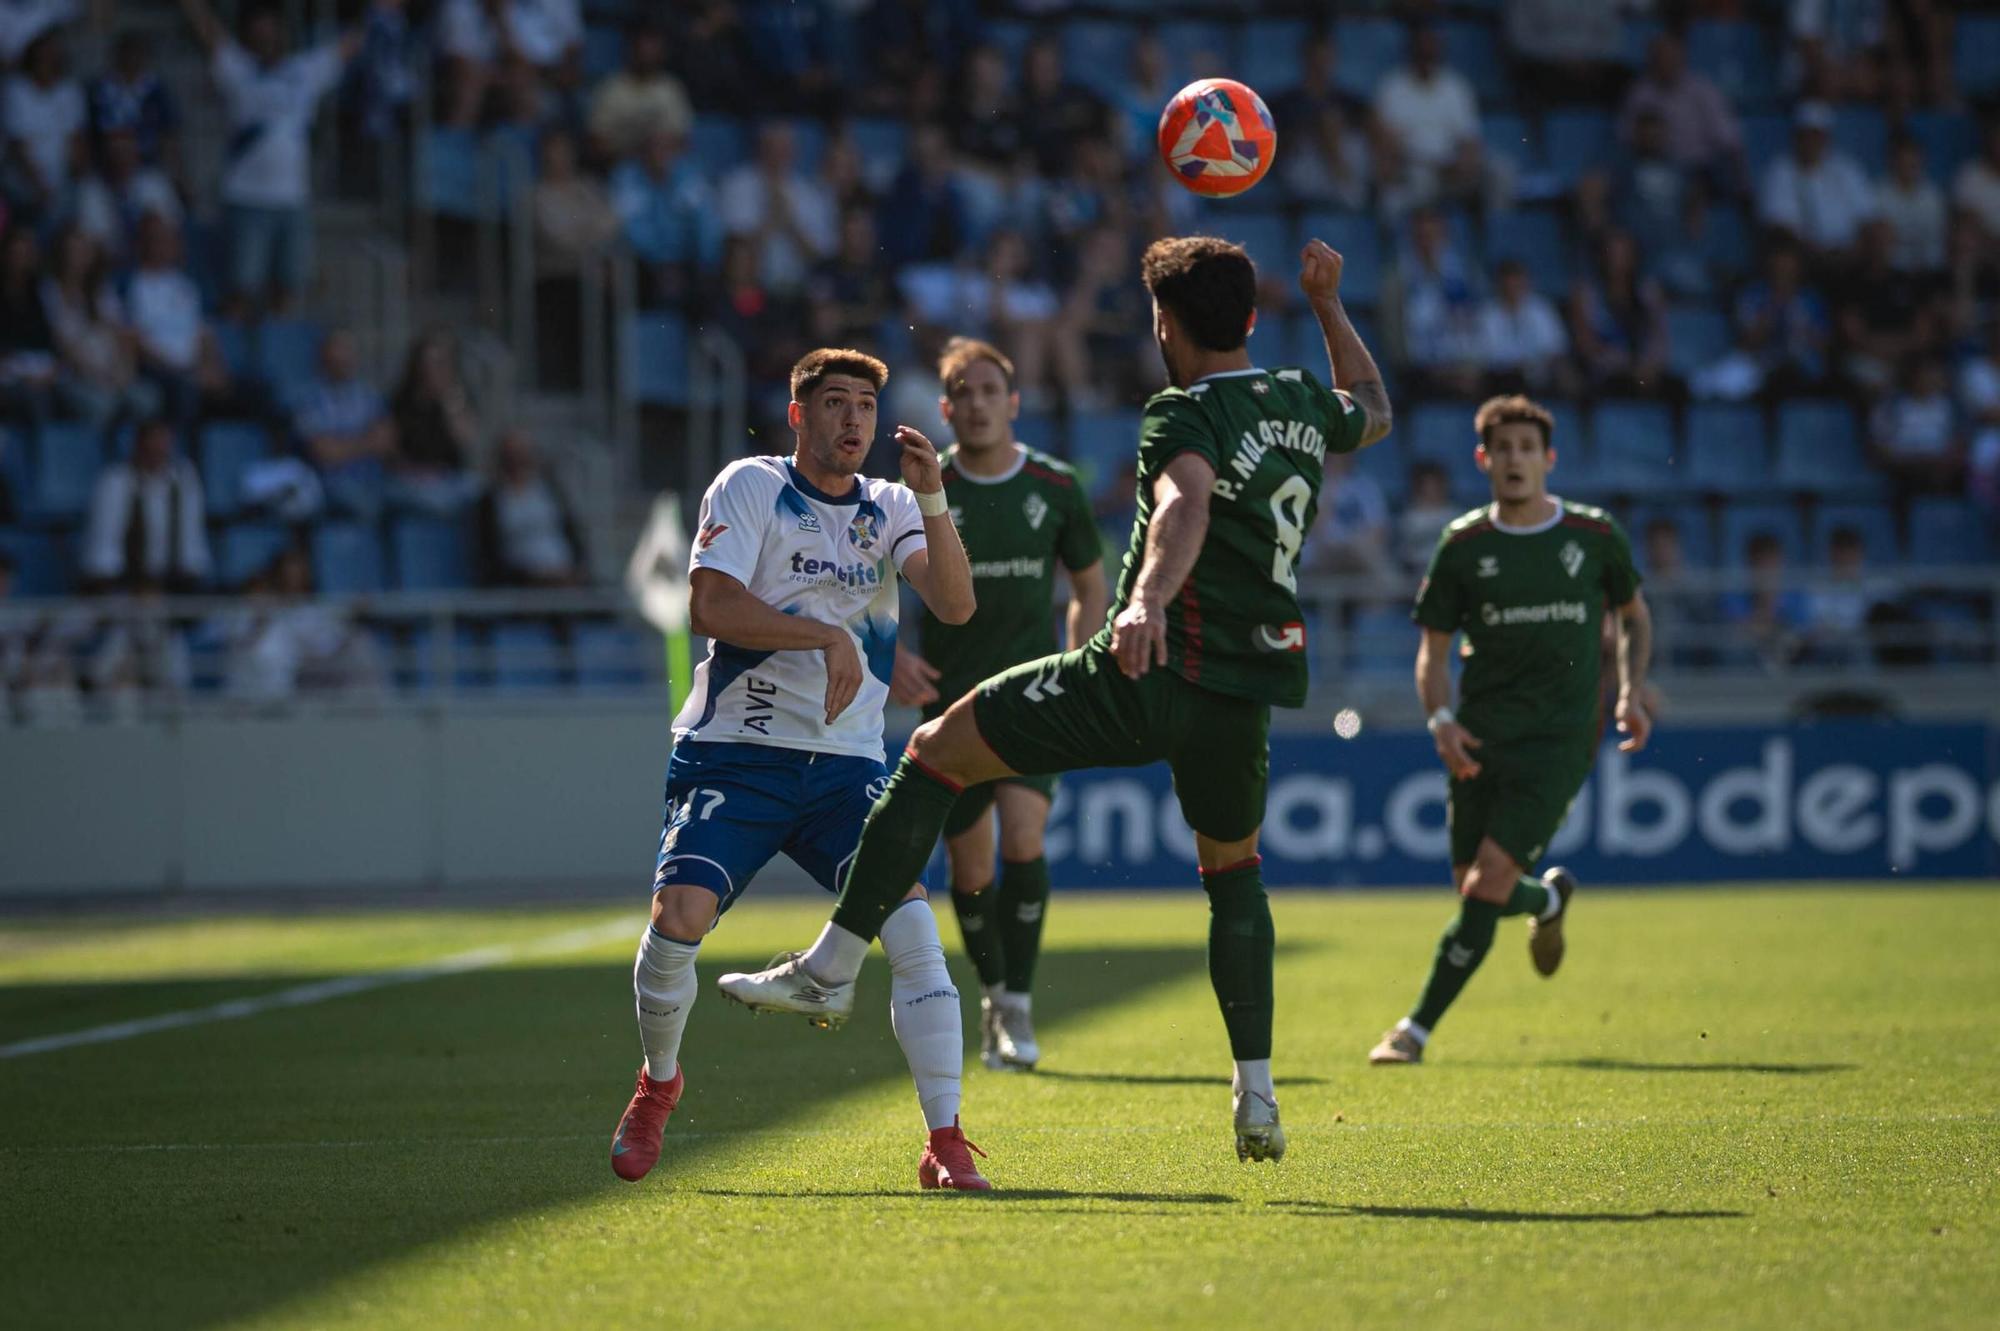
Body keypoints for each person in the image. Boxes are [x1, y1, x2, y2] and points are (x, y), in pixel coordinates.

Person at [717, 236, 1394, 1166]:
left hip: (1141, 672)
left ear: (1165, 323)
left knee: (935, 753)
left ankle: (830, 968)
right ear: (1249, 316)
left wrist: (1146, 602)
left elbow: (1186, 503)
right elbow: (1375, 409)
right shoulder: (1299, 400)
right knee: (1234, 874)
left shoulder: (1183, 411)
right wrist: (1327, 303)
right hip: (1246, 688)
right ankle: (1257, 1093)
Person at [606, 348, 984, 1191]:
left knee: (915, 929)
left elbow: (957, 604)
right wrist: (826, 636)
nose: (854, 419)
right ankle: (659, 1083)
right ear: (798, 414)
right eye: (836, 402)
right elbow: (710, 604)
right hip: (736, 754)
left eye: (866, 406)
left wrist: (933, 497)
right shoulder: (750, 485)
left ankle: (946, 1138)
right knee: (679, 916)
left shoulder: (891, 505)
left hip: (846, 768)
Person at [1369, 395, 1651, 1066]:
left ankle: (1414, 1031)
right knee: (1473, 884)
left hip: (1559, 738)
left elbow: (1635, 616)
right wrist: (1440, 719)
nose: (1515, 459)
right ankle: (1548, 900)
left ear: (1548, 458)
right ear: (1483, 459)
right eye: (1503, 449)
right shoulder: (1464, 546)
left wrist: (1631, 690)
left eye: (1527, 448)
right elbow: (1433, 652)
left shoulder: (1593, 535)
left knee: (1487, 883)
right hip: (1479, 733)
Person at [887, 336, 1107, 1073]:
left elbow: (1089, 584)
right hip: (950, 708)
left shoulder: (1056, 485)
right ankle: (993, 991)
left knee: (1024, 838)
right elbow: (871, 583)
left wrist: (1080, 661)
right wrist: (891, 654)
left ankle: (1017, 1003)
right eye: (964, 394)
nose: (978, 404)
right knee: (972, 869)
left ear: (1014, 403)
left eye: (990, 391)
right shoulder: (925, 491)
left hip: (1036, 700)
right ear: (945, 409)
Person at [177, 0, 360, 319]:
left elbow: (347, 47)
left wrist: (381, 11)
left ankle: (276, 345)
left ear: (283, 34)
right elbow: (209, 32)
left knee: (288, 287)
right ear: (249, 37)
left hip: (291, 198)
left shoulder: (303, 71)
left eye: (271, 32)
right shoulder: (239, 70)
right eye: (258, 34)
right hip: (246, 196)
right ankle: (234, 343)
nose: (266, 39)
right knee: (242, 288)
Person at [80, 416, 210, 593]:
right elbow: (104, 550)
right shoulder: (115, 481)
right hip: (125, 583)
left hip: (173, 582)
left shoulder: (184, 478)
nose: (158, 450)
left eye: (163, 444)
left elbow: (192, 544)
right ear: (138, 445)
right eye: (153, 443)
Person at [293, 326, 395, 521]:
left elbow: (387, 442)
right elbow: (324, 453)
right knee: (369, 507)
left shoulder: (369, 396)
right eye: (336, 357)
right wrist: (367, 442)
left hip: (375, 481)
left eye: (346, 354)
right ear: (324, 359)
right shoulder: (309, 400)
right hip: (329, 485)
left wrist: (343, 446)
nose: (342, 362)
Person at [475, 429, 587, 587]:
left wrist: (577, 568)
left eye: (523, 452)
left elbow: (571, 532)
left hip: (564, 575)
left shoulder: (549, 491)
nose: (518, 460)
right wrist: (530, 576)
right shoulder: (492, 499)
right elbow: (489, 553)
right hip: (522, 582)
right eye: (512, 454)